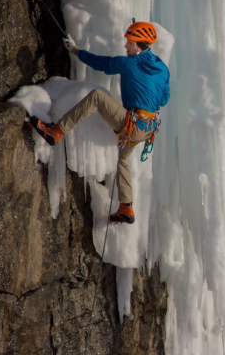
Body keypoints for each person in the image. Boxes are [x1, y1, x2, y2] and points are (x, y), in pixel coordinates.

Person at [30, 22, 170, 224]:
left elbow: (102, 64)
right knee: (122, 160)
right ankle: (126, 208)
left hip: (133, 123)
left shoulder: (129, 63)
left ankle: (56, 131)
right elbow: (164, 99)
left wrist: (76, 50)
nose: (125, 47)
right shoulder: (163, 69)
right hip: (147, 130)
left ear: (139, 45)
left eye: (129, 43)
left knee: (96, 97)